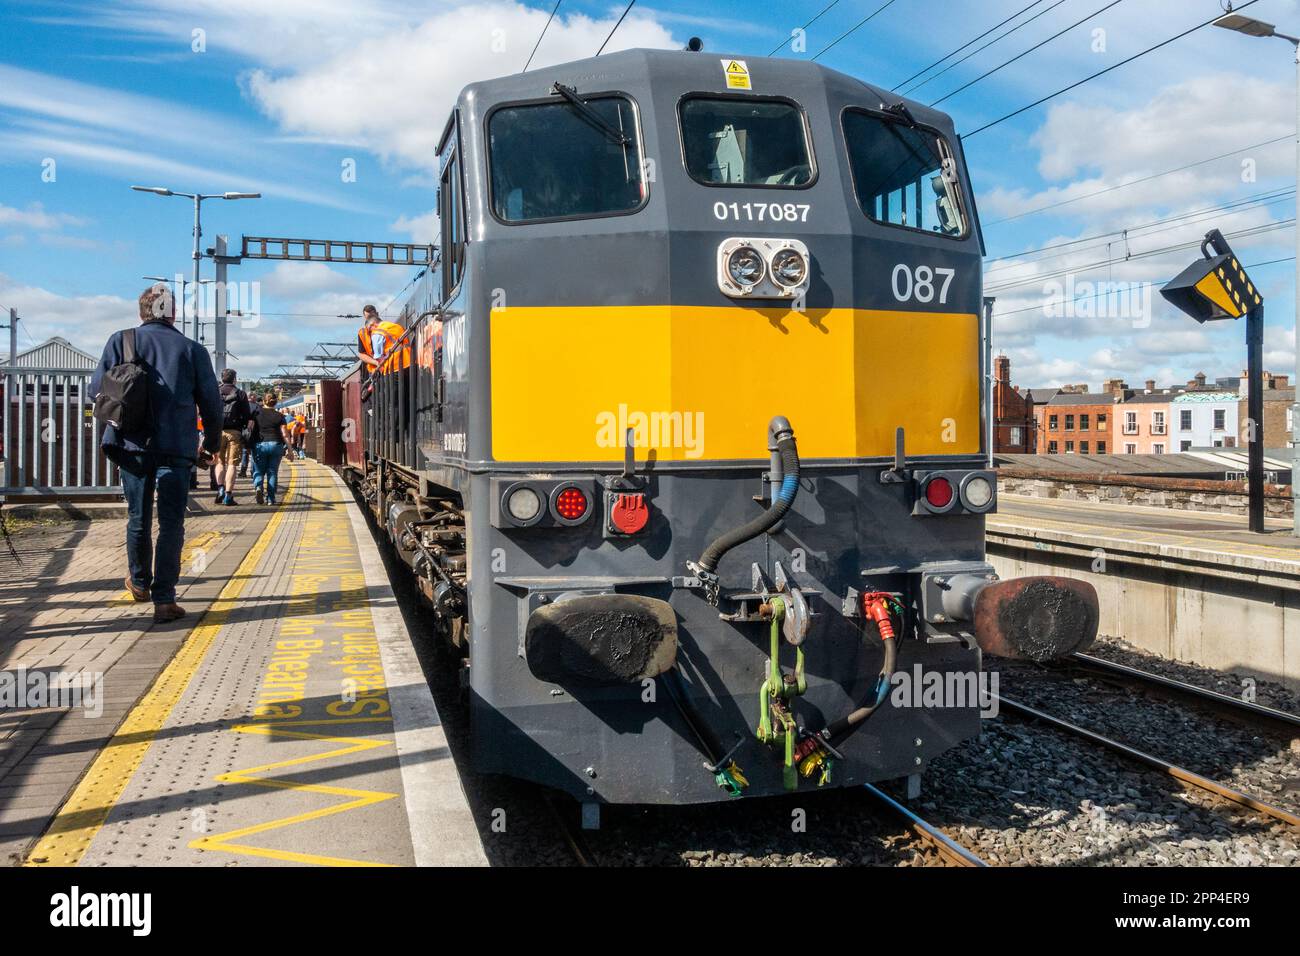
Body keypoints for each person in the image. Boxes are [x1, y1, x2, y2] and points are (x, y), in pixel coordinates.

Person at [91, 283, 222, 624]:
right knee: (172, 524)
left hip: (131, 446)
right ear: (173, 313)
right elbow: (211, 402)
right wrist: (211, 443)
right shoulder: (192, 350)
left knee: (138, 519)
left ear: (142, 312)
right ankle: (165, 599)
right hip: (176, 449)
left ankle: (138, 582)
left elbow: (96, 390)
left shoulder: (120, 341)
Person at [214, 369, 250, 505]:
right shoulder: (240, 394)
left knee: (219, 462)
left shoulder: (215, 392)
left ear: (222, 379)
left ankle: (220, 489)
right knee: (232, 464)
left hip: (217, 431)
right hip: (235, 432)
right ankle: (228, 496)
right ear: (235, 379)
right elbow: (246, 415)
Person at [249, 392, 293, 506]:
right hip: (276, 445)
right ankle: (271, 499)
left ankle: (258, 486)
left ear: (263, 401)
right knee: (272, 472)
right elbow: (285, 434)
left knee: (258, 470)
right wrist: (290, 450)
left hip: (259, 445)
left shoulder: (256, 414)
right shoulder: (280, 416)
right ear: (275, 402)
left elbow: (249, 428)